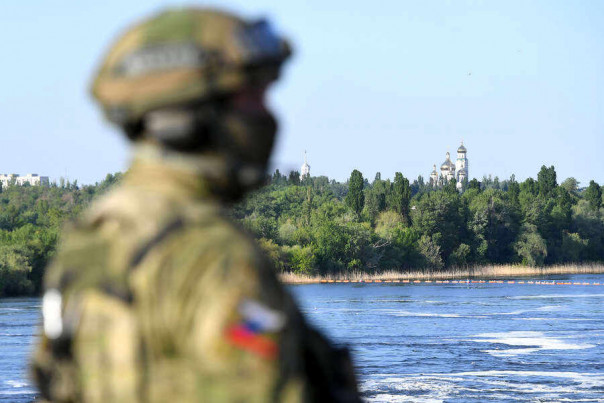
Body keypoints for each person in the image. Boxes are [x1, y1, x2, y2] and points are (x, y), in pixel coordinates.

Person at [31, 7, 360, 403]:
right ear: (191, 117)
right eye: (253, 98)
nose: (267, 116)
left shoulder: (90, 241)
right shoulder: (213, 257)